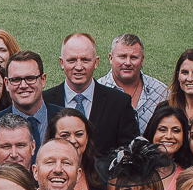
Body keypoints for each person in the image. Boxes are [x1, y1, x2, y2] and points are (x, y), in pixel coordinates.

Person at [49, 33, 140, 161]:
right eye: (72, 60)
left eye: (85, 60)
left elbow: (130, 152)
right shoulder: (45, 100)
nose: (79, 67)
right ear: (62, 62)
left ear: (96, 62)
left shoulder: (119, 103)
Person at [98, 33, 167, 133]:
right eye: (122, 56)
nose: (128, 63)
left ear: (142, 60)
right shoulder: (97, 91)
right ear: (111, 58)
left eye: (134, 57)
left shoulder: (161, 92)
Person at [1, 52, 57, 152]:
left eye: (30, 78)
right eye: (16, 79)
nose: (23, 85)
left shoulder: (67, 121)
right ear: (7, 83)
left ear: (43, 80)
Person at [45, 110, 100, 190]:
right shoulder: (45, 176)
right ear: (52, 139)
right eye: (65, 135)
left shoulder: (101, 172)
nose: (73, 140)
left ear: (87, 138)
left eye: (79, 134)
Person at [143, 105, 187, 190]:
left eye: (176, 131)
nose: (168, 136)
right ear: (152, 132)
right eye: (162, 130)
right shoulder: (134, 167)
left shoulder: (187, 175)